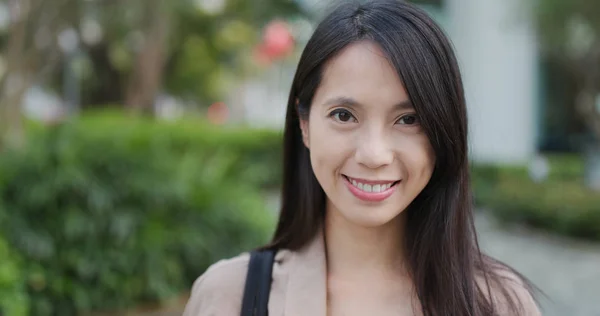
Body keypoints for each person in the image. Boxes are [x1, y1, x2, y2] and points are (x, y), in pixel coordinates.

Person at [183, 1, 541, 315]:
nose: (373, 154)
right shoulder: (230, 296)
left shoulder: (499, 303)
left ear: (444, 133)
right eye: (343, 115)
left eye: (409, 119)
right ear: (304, 124)